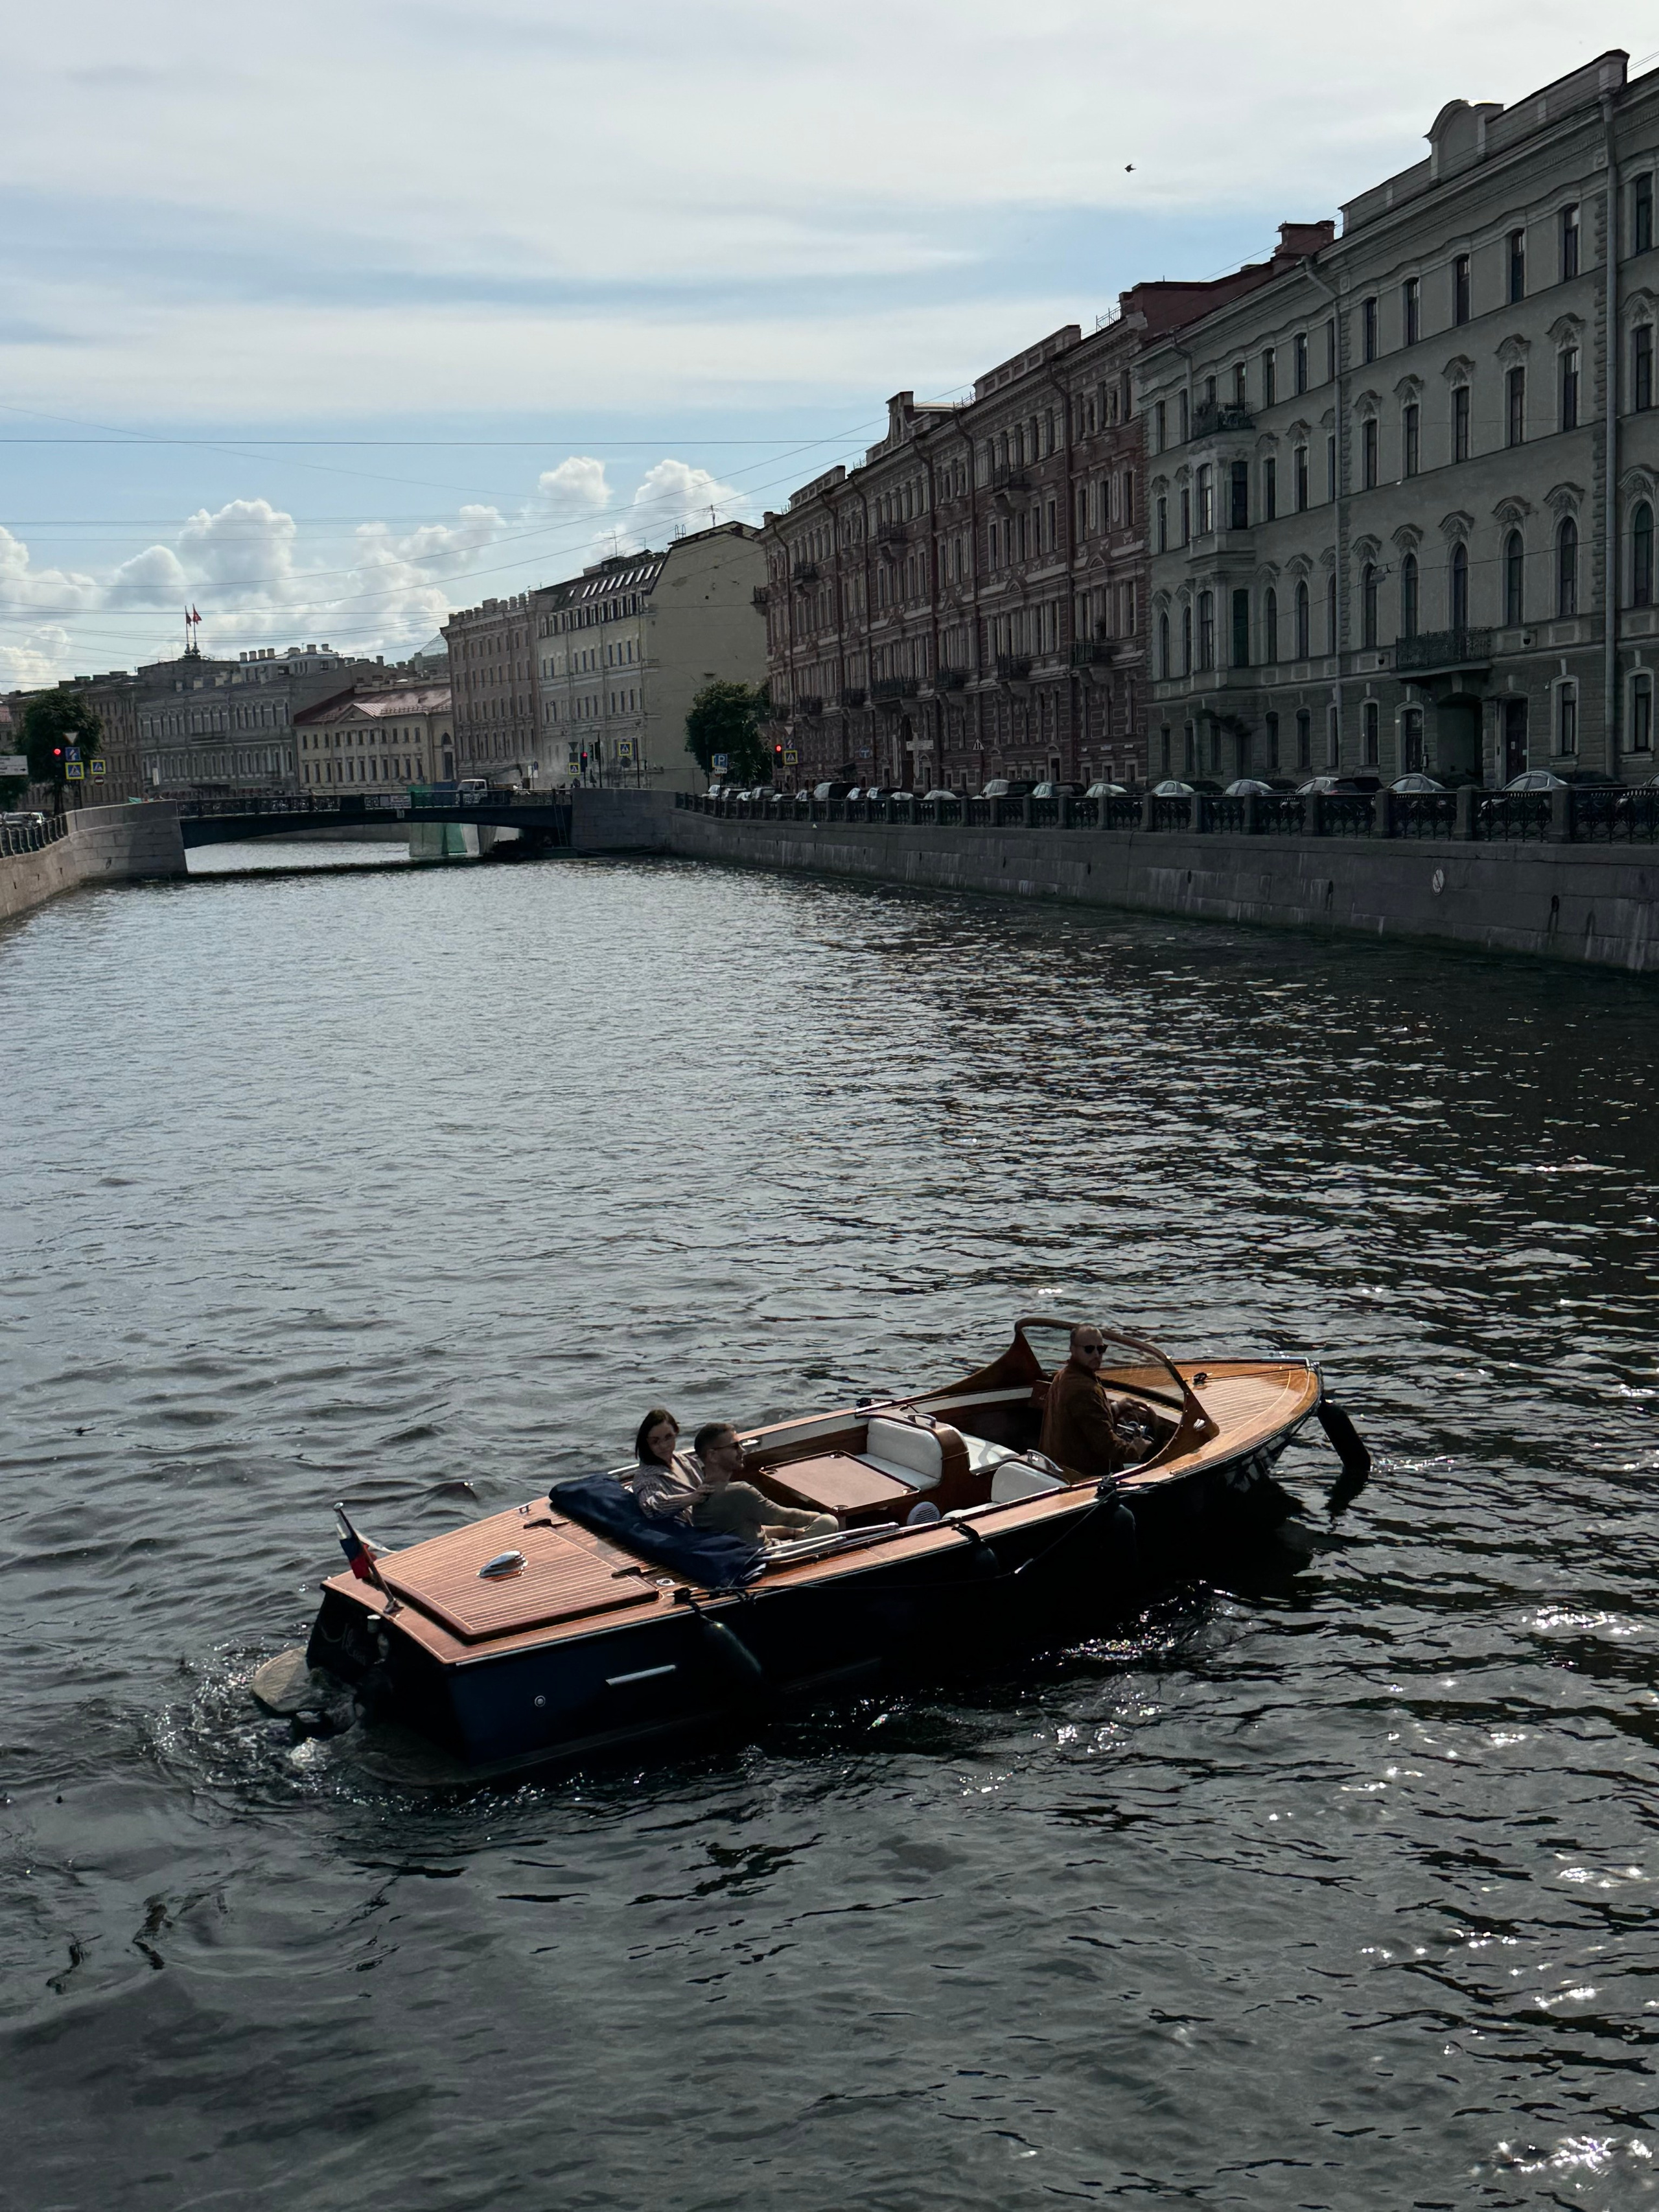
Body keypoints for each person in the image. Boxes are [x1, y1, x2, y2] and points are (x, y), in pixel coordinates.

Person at [688, 1423, 837, 1545]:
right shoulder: (739, 1492)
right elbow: (784, 1516)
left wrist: (790, 1532)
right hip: (767, 1559)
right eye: (734, 1447)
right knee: (829, 1522)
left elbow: (748, 1529)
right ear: (713, 1456)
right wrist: (819, 1517)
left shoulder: (701, 1497)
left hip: (745, 1555)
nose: (742, 1450)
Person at [1038, 1324, 1126, 1480]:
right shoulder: (1085, 1389)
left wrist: (1116, 1409)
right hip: (1083, 1477)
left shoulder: (1063, 1376)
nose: (1096, 1355)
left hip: (1058, 1468)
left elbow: (1087, 1418)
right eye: (1089, 1349)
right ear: (1072, 1349)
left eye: (1101, 1349)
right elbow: (1108, 1446)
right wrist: (1139, 1449)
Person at [628, 1407, 704, 1519]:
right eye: (655, 1441)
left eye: (668, 1437)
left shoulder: (684, 1460)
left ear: (676, 1433)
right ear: (646, 1443)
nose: (664, 1445)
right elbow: (651, 1508)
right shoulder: (645, 1477)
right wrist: (689, 1499)